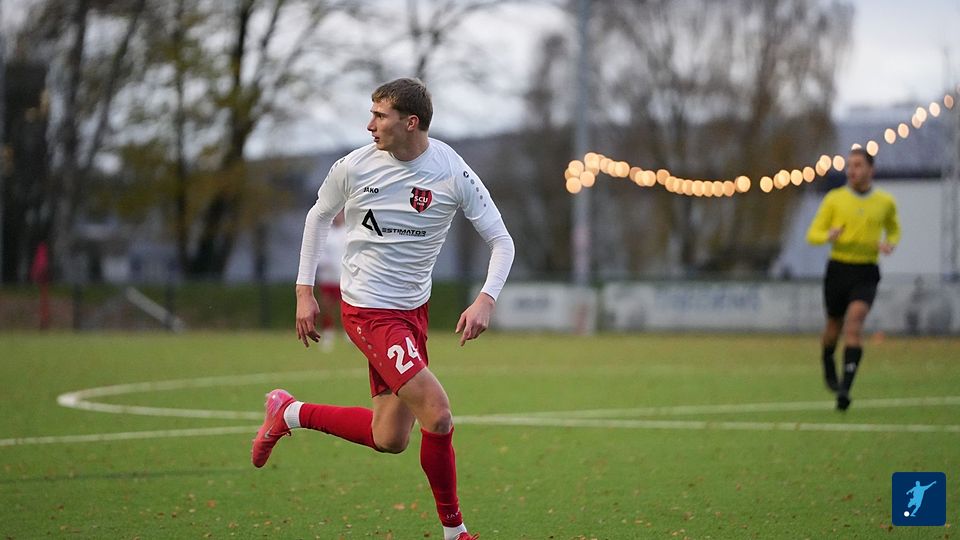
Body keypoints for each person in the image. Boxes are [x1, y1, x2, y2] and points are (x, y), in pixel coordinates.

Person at [251, 78, 515, 540]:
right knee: (438, 413)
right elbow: (317, 217)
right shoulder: (353, 167)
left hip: (413, 312)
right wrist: (304, 291)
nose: (369, 124)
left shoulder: (451, 171)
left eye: (379, 115)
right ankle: (456, 533)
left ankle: (289, 413)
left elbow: (502, 241)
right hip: (368, 311)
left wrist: (486, 299)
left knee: (389, 437)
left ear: (410, 123)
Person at [806, 147, 900, 411]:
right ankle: (827, 358)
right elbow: (812, 234)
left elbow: (894, 229)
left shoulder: (885, 202)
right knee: (833, 327)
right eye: (849, 165)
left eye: (858, 165)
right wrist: (828, 235)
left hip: (866, 270)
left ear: (871, 169)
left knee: (854, 322)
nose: (852, 170)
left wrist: (890, 243)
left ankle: (845, 389)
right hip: (839, 268)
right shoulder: (835, 199)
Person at [315, 211, 346, 352]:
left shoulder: (349, 232)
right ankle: (328, 333)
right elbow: (319, 253)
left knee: (345, 306)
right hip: (328, 277)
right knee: (327, 305)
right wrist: (325, 263)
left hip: (344, 277)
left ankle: (348, 333)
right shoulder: (326, 233)